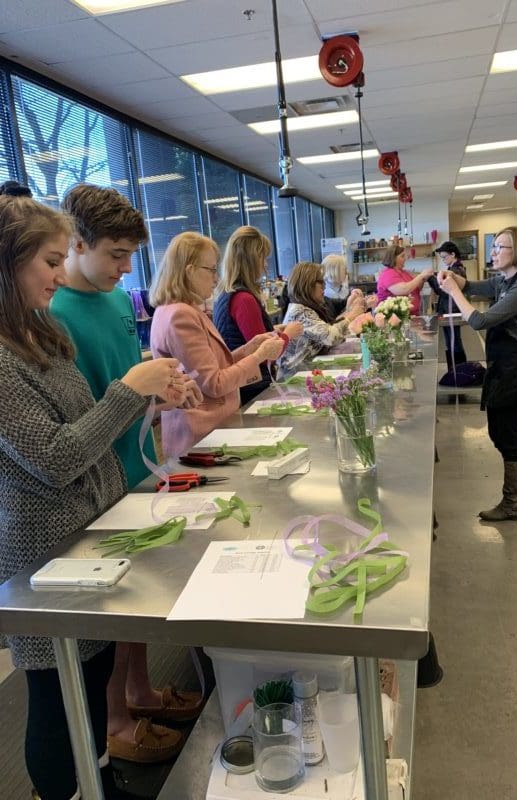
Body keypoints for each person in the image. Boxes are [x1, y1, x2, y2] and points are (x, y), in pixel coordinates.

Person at [0, 195, 186, 800]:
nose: (59, 273)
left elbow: (87, 428)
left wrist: (145, 396)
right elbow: (53, 458)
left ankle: (100, 776)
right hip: (43, 556)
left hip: (86, 542)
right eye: (50, 261)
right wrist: (130, 391)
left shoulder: (39, 330)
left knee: (95, 674)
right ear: (9, 262)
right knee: (58, 700)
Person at [51, 184, 201, 765]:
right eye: (115, 254)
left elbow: (122, 380)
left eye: (131, 254)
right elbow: (77, 414)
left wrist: (162, 391)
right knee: (106, 614)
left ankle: (138, 694)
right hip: (91, 479)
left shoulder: (116, 300)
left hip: (131, 469)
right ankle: (115, 720)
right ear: (76, 243)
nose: (126, 267)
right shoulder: (57, 312)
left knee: (133, 600)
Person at [437, 226, 517, 522]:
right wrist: (456, 279)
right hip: (503, 369)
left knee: (506, 435)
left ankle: (513, 504)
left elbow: (479, 320)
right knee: (506, 434)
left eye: (499, 248)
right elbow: (473, 286)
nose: (493, 253)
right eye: (493, 247)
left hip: (515, 372)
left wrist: (454, 291)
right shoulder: (505, 282)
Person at [150, 231, 285, 455]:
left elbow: (211, 368)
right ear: (190, 271)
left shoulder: (182, 310)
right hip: (202, 436)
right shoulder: (180, 315)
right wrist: (259, 356)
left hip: (212, 432)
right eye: (211, 270)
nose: (216, 278)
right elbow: (214, 383)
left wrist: (249, 348)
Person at [213, 226, 302, 403]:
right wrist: (288, 335)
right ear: (251, 260)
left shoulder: (225, 295)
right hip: (251, 388)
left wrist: (274, 329)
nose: (266, 264)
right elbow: (267, 353)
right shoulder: (244, 299)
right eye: (263, 258)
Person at [278, 261, 363, 378]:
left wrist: (350, 314)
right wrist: (350, 316)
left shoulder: (306, 307)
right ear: (308, 284)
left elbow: (328, 328)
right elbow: (331, 337)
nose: (324, 286)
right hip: (293, 377)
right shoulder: (300, 312)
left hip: (306, 371)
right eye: (321, 282)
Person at [429, 241, 468, 369]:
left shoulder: (457, 270)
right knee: (451, 341)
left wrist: (430, 278)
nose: (444, 260)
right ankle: (455, 369)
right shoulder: (453, 269)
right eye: (442, 257)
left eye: (445, 257)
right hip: (449, 309)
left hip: (452, 310)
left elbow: (443, 291)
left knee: (453, 341)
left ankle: (458, 370)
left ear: (453, 254)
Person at [376, 244, 433, 313]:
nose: (405, 258)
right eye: (402, 256)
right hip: (395, 317)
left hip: (410, 315)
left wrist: (423, 279)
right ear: (393, 258)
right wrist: (420, 276)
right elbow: (404, 289)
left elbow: (415, 288)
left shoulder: (403, 272)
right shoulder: (388, 274)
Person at [321, 253, 364, 317]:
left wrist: (354, 292)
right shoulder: (326, 294)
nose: (347, 273)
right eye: (344, 269)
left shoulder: (340, 287)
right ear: (334, 272)